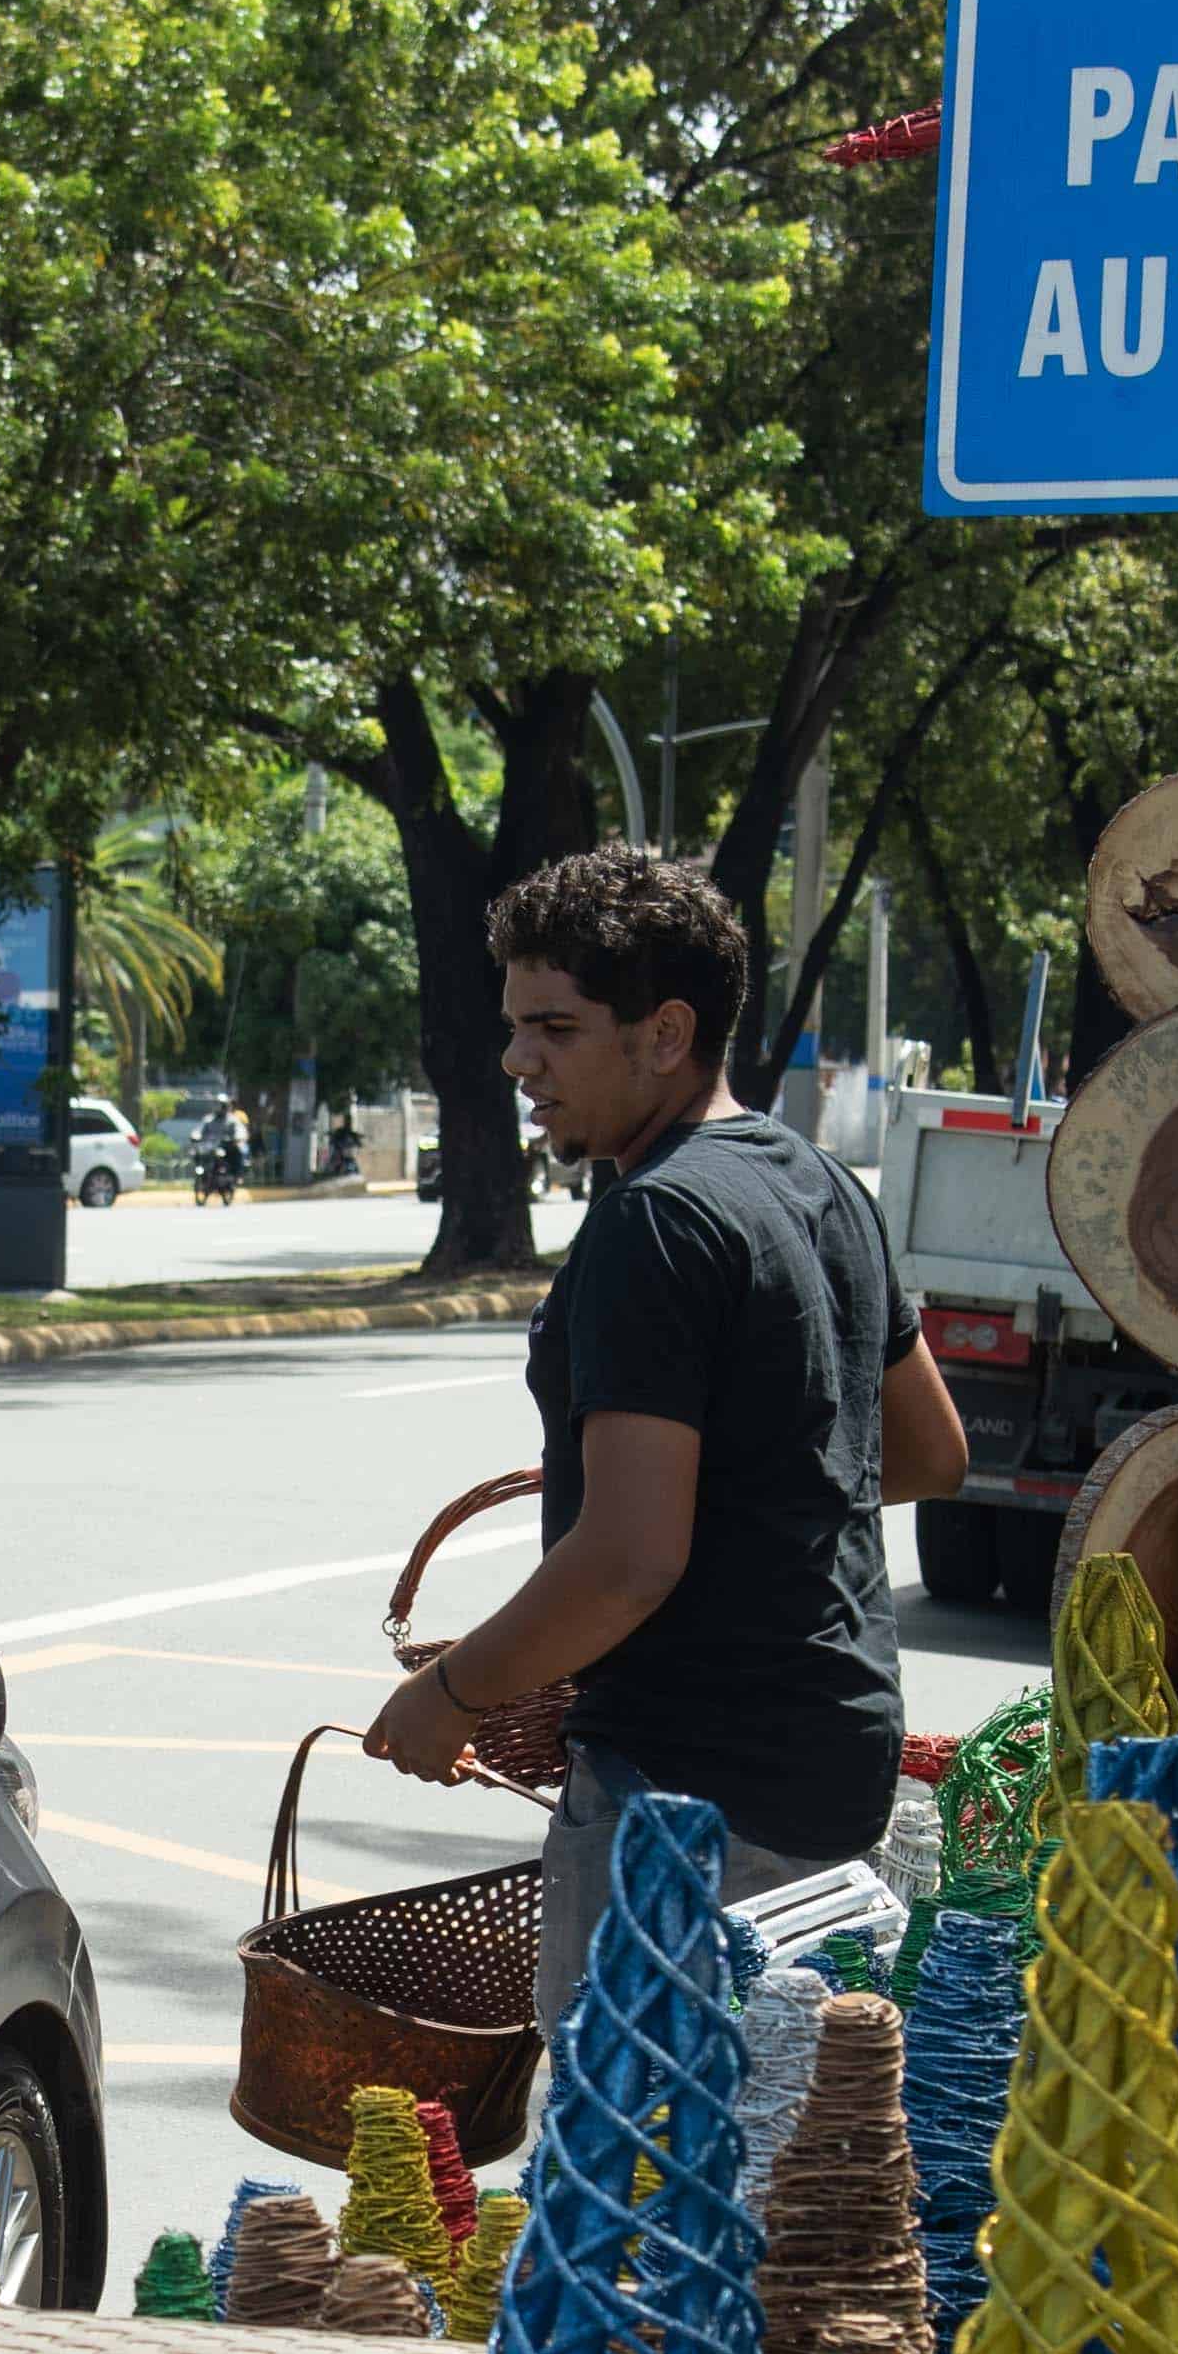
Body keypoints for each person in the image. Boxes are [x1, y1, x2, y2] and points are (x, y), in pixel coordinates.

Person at [360, 845, 970, 2033]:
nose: (515, 1059)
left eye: (555, 1027)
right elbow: (926, 1450)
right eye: (514, 1024)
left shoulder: (656, 1219)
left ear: (664, 1031)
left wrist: (454, 1692)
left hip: (688, 1799)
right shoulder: (818, 1182)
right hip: (831, 1760)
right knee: (789, 2178)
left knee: (628, 2184)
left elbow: (630, 1558)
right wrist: (745, 1484)